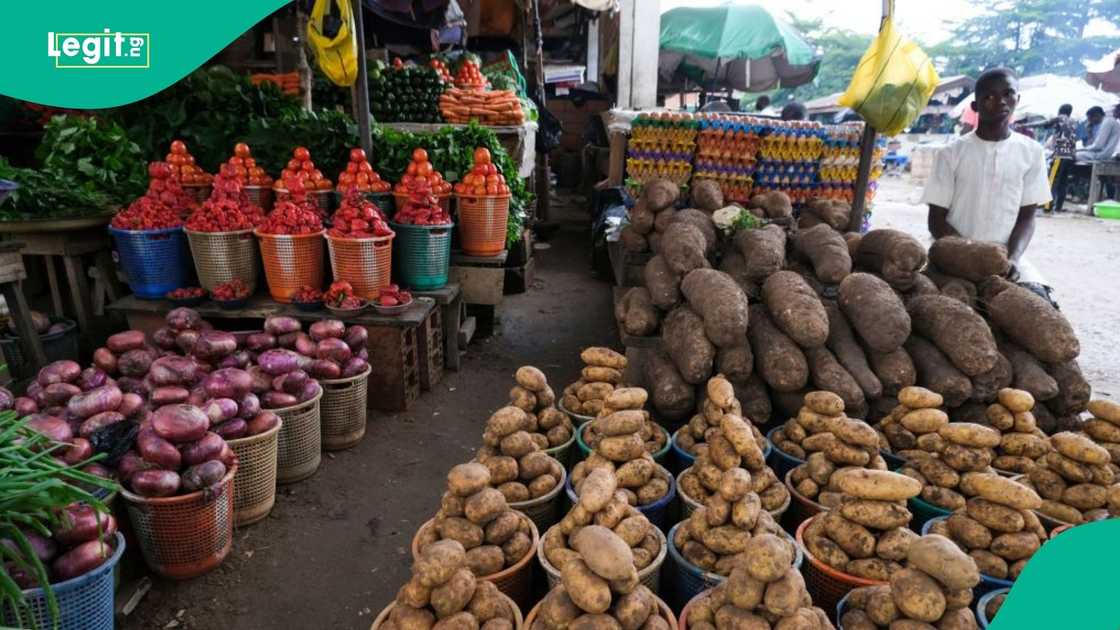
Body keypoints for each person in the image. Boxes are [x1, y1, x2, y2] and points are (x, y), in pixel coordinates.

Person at [921, 67, 1055, 303]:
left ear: (1018, 99)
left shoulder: (1032, 152)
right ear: (975, 106)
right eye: (989, 97)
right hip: (954, 254)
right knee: (933, 303)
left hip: (1005, 259)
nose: (1001, 101)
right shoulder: (951, 153)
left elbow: (1027, 217)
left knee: (1042, 303)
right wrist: (970, 256)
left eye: (1008, 94)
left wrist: (1013, 258)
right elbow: (936, 220)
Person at [1022, 104, 1077, 212]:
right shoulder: (1073, 122)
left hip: (1061, 154)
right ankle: (1059, 207)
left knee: (1052, 180)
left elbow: (1044, 124)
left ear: (1060, 111)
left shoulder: (1060, 118)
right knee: (1063, 181)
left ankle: (1048, 206)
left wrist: (1026, 125)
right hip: (1071, 155)